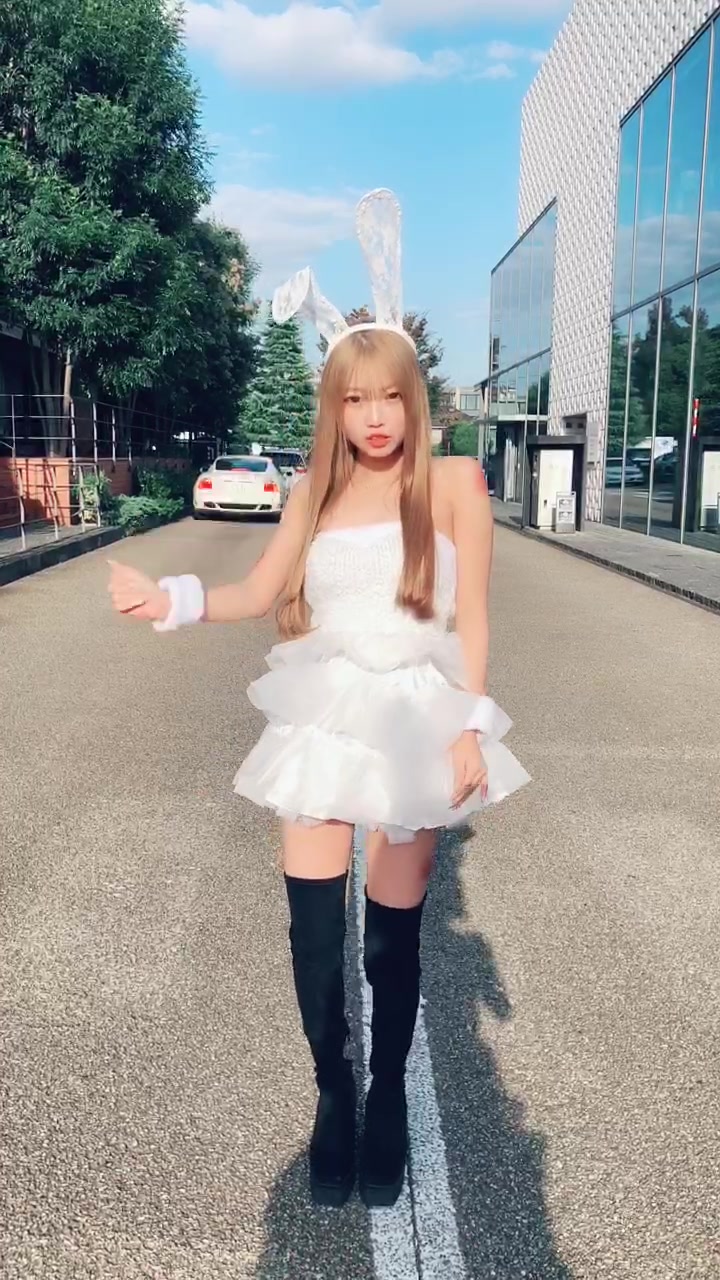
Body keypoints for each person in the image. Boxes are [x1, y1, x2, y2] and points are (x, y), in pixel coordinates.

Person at [108, 192, 529, 1212]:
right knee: (313, 935)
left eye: (390, 397)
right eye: (354, 399)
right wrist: (174, 598)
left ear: (413, 399)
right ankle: (333, 1092)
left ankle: (386, 1099)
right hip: (323, 707)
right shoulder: (314, 492)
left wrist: (472, 725)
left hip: (418, 712)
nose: (374, 417)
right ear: (334, 406)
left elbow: (474, 619)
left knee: (391, 939)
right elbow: (259, 591)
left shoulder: (456, 485)